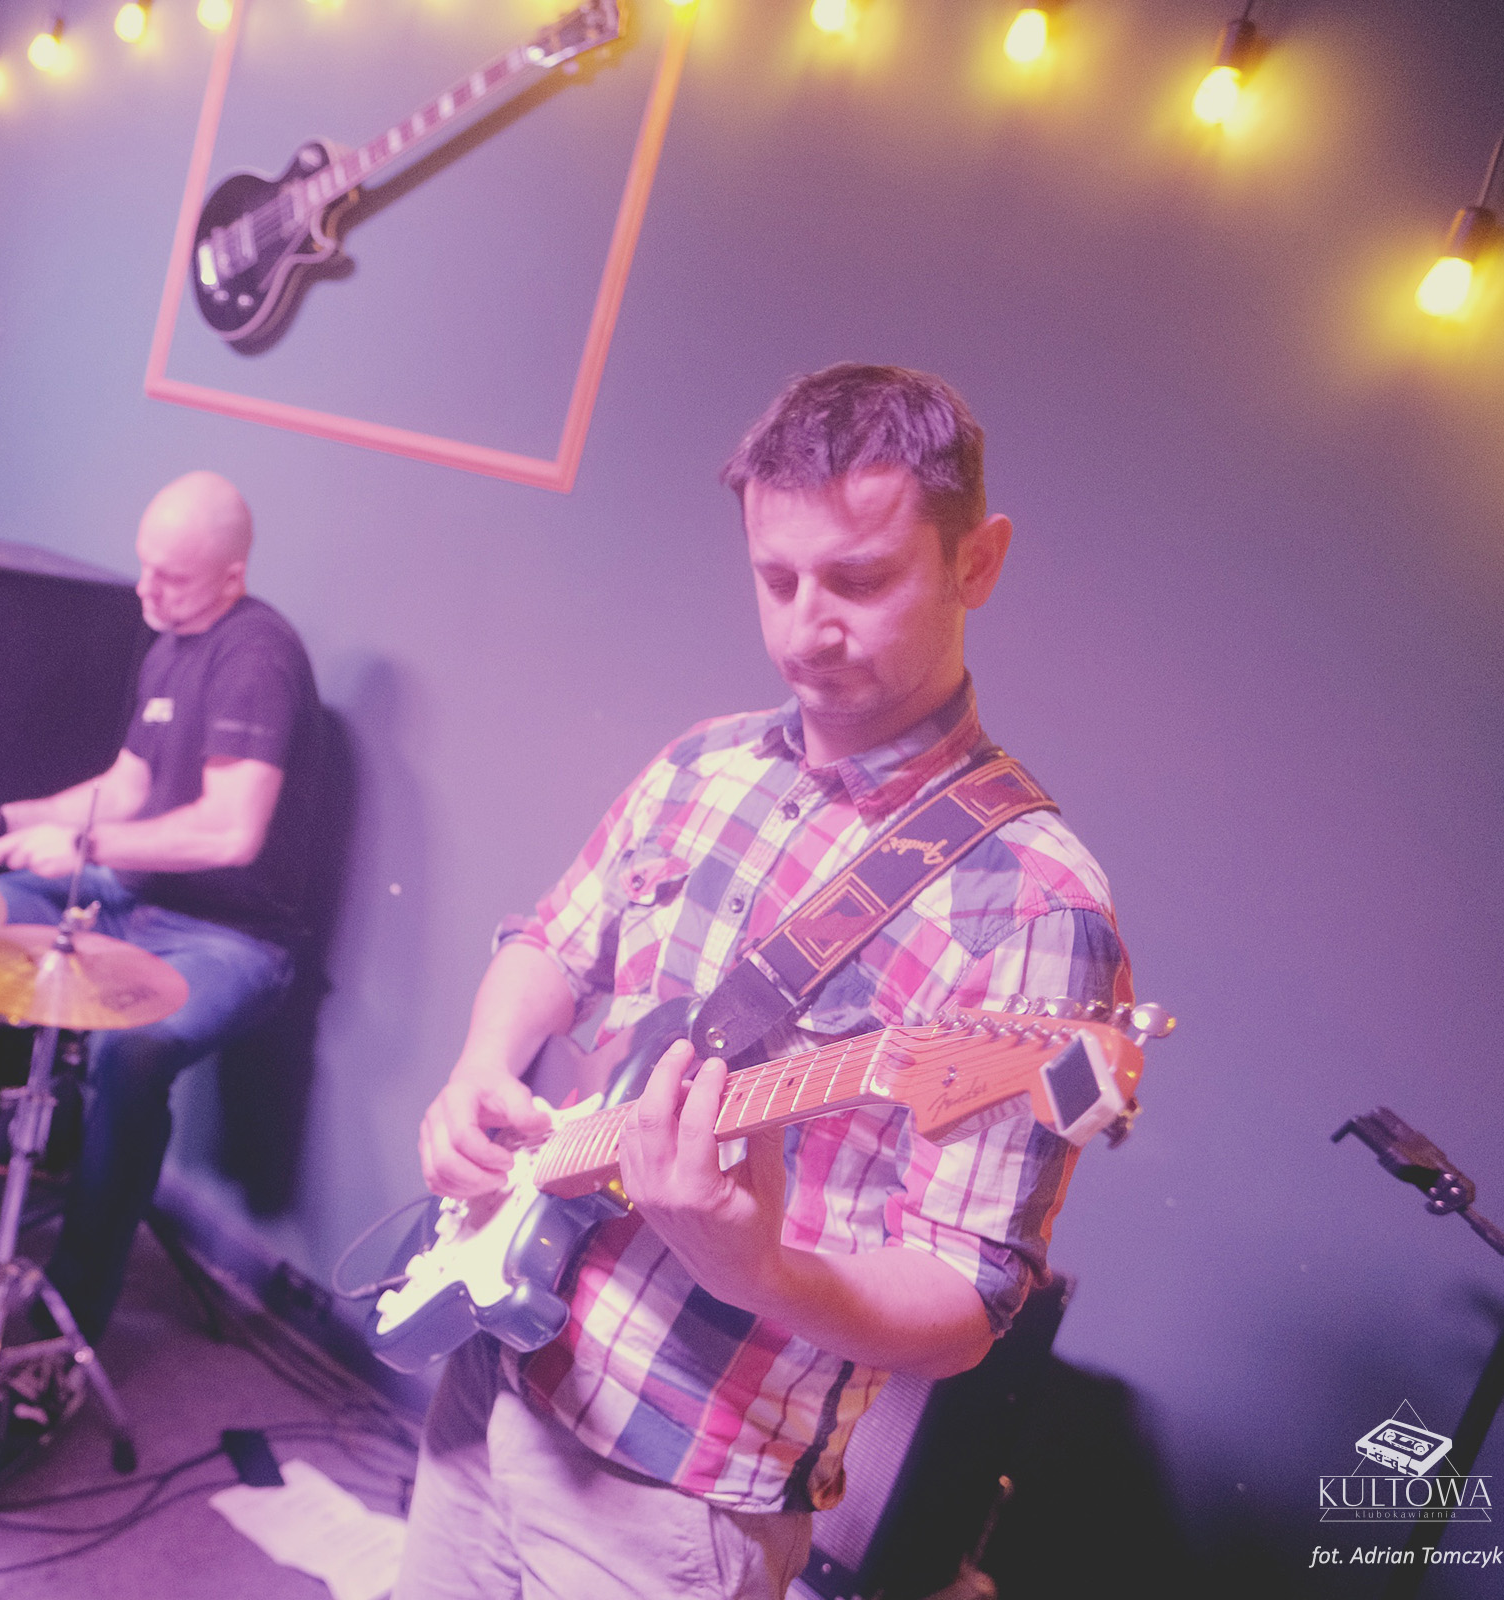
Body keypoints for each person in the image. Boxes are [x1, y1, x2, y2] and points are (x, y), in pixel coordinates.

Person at [398, 365, 1133, 1600]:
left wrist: (762, 1271)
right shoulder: (702, 763)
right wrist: (479, 1068)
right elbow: (550, 943)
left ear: (977, 561)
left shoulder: (1037, 906)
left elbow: (968, 1298)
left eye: (859, 580)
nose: (805, 629)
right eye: (775, 578)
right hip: (495, 1359)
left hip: (678, 1496)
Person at [0, 470, 319, 1344]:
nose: (146, 590)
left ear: (232, 577)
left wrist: (89, 850)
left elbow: (231, 832)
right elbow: (125, 787)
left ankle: (69, 1313)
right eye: (145, 568)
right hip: (133, 898)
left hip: (230, 940)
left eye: (170, 578)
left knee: (131, 1055)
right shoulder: (171, 643)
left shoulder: (257, 659)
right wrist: (0, 819)